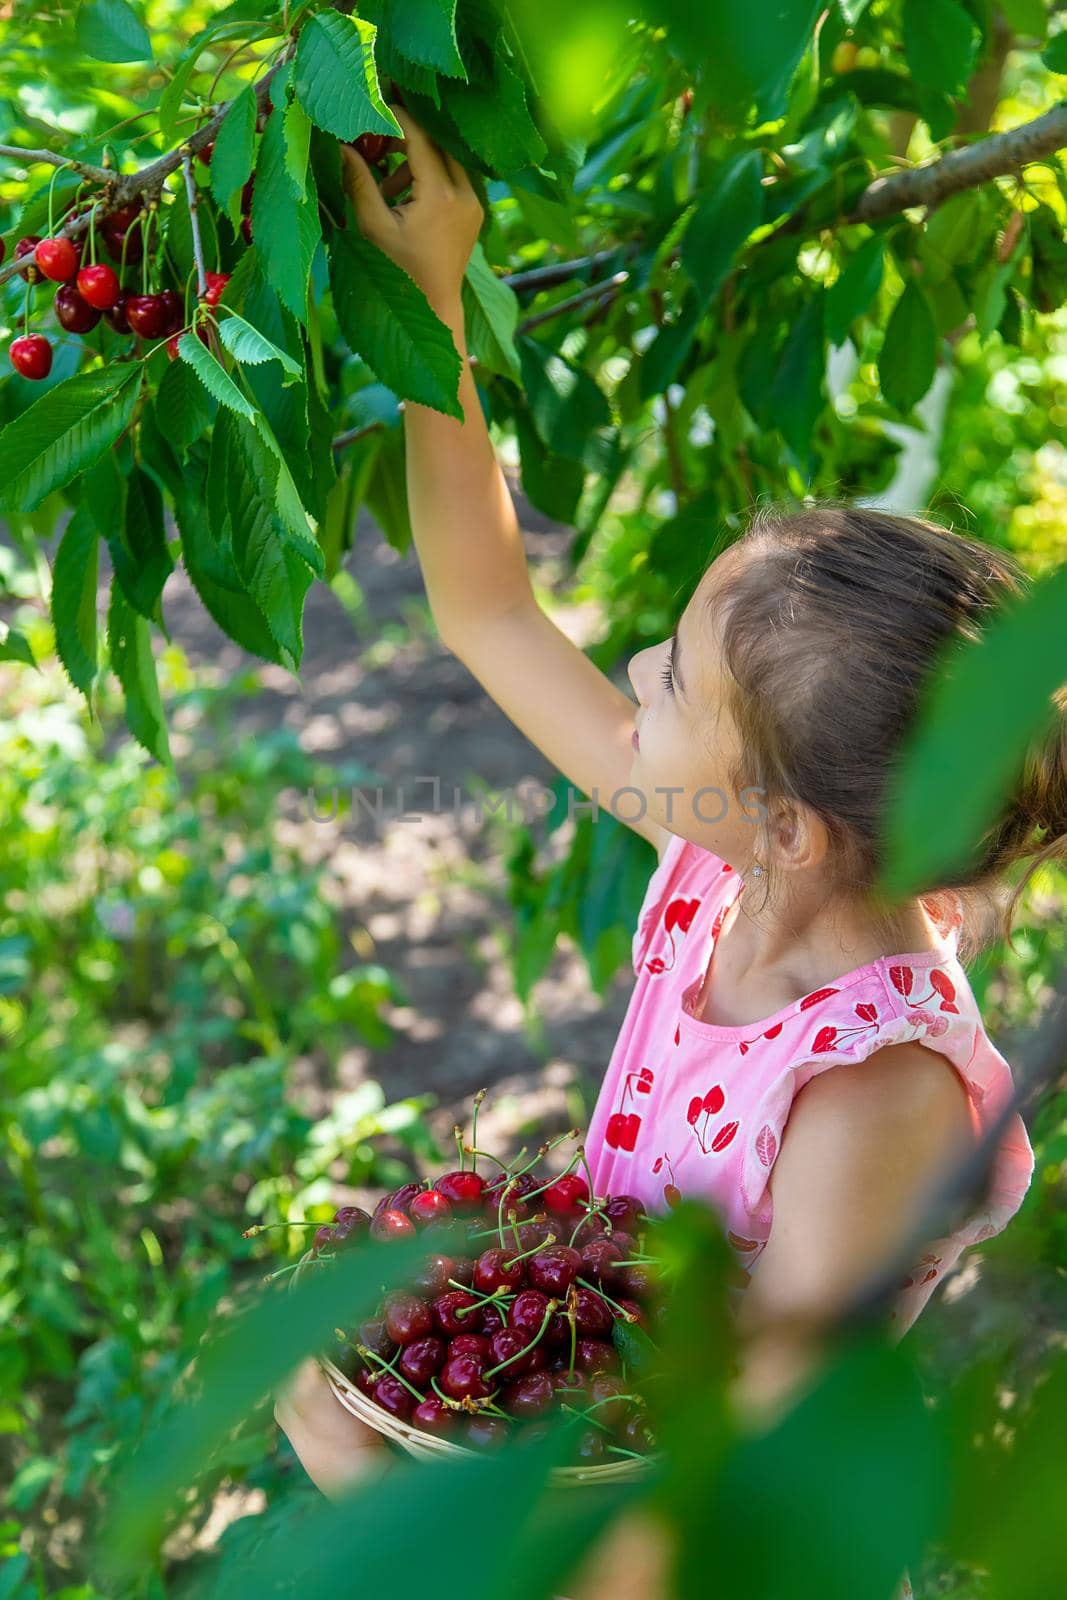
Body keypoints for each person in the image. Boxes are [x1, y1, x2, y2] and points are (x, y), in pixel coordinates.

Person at [276, 108, 1051, 1597]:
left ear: (791, 818)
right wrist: (435, 290)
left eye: (677, 677)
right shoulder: (729, 863)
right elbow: (489, 612)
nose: (634, 664)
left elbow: (754, 1475)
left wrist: (389, 1506)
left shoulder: (875, 1094)